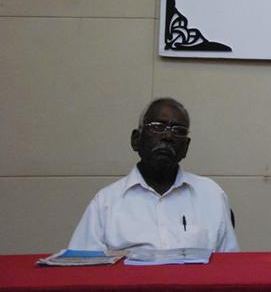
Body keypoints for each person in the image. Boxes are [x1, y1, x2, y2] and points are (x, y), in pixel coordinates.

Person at [68, 98, 239, 252]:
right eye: (157, 127)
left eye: (178, 130)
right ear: (136, 140)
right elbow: (83, 271)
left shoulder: (211, 196)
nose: (168, 136)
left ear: (186, 147)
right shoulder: (105, 203)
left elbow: (230, 270)